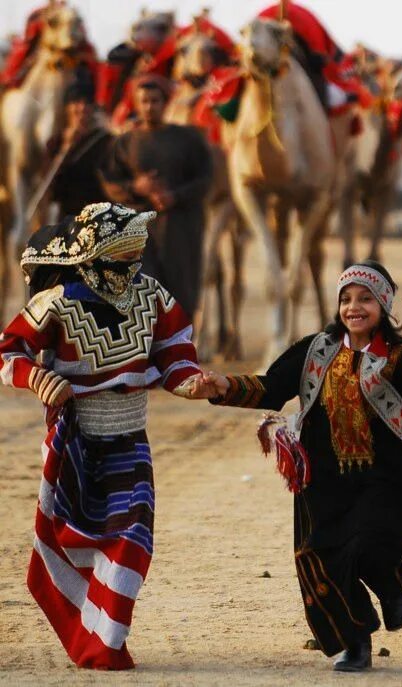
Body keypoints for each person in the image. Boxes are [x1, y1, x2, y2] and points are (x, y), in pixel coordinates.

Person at [195, 261, 402, 672]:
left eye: (365, 299)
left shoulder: (396, 360)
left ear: (384, 307)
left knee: (369, 543)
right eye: (346, 299)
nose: (354, 307)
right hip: (323, 481)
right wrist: (224, 386)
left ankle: (390, 583)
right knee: (320, 559)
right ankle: (354, 644)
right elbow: (272, 387)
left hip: (387, 477)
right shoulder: (313, 351)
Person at [0, 202, 209, 670]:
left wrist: (188, 379)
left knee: (133, 535)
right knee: (75, 533)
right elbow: (9, 352)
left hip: (131, 437)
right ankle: (86, 627)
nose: (135, 258)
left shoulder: (153, 295)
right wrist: (36, 378)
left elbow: (174, 351)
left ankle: (106, 642)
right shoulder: (56, 303)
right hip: (73, 439)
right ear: (98, 250)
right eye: (125, 248)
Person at [102, 76, 212, 318]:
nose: (150, 106)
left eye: (155, 101)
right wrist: (136, 187)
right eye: (144, 101)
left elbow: (205, 179)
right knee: (144, 294)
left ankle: (181, 350)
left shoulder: (189, 139)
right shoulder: (125, 142)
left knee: (182, 295)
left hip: (182, 230)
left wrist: (175, 196)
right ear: (136, 104)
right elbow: (111, 182)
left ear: (165, 103)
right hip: (140, 233)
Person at [44, 81, 113, 219]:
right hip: (67, 219)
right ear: (67, 108)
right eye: (76, 103)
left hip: (98, 217)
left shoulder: (106, 140)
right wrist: (66, 147)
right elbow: (50, 187)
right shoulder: (55, 143)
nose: (81, 108)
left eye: (86, 103)